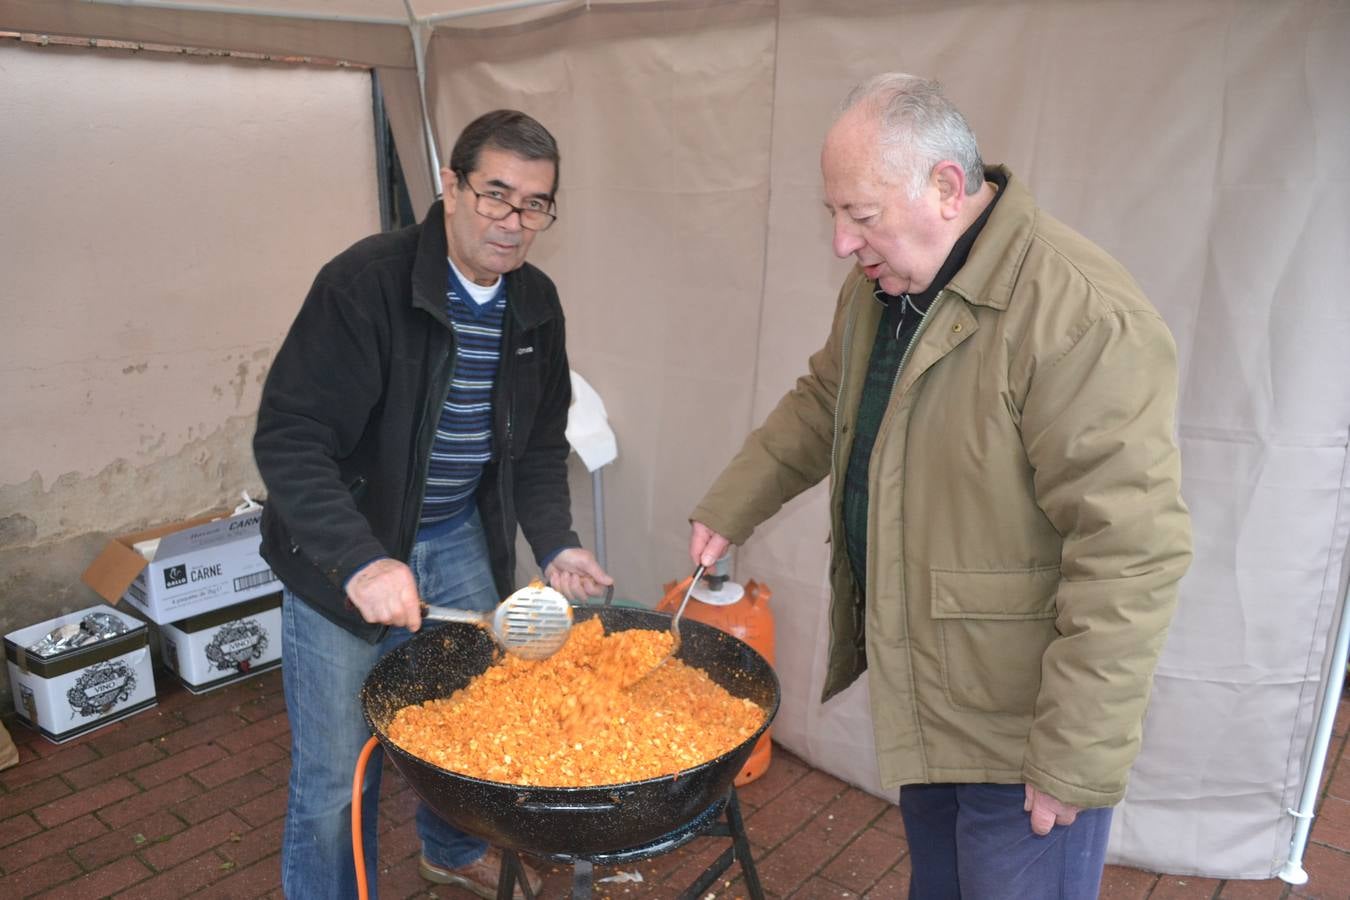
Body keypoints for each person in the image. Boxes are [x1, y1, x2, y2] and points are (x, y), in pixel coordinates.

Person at [688, 74, 1192, 898]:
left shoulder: (1080, 315)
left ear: (948, 189)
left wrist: (1072, 757)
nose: (844, 245)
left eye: (861, 215)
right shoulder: (883, 290)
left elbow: (1130, 554)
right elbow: (827, 400)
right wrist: (730, 504)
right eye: (834, 216)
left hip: (1022, 730)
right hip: (929, 695)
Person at [254, 109, 611, 899]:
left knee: (467, 730)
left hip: (456, 539)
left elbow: (540, 445)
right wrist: (361, 560)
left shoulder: (536, 305)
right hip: (343, 550)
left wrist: (557, 545)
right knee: (335, 777)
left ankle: (450, 850)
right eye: (495, 195)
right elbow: (288, 438)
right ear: (450, 187)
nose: (513, 223)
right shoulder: (364, 286)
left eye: (535, 205)